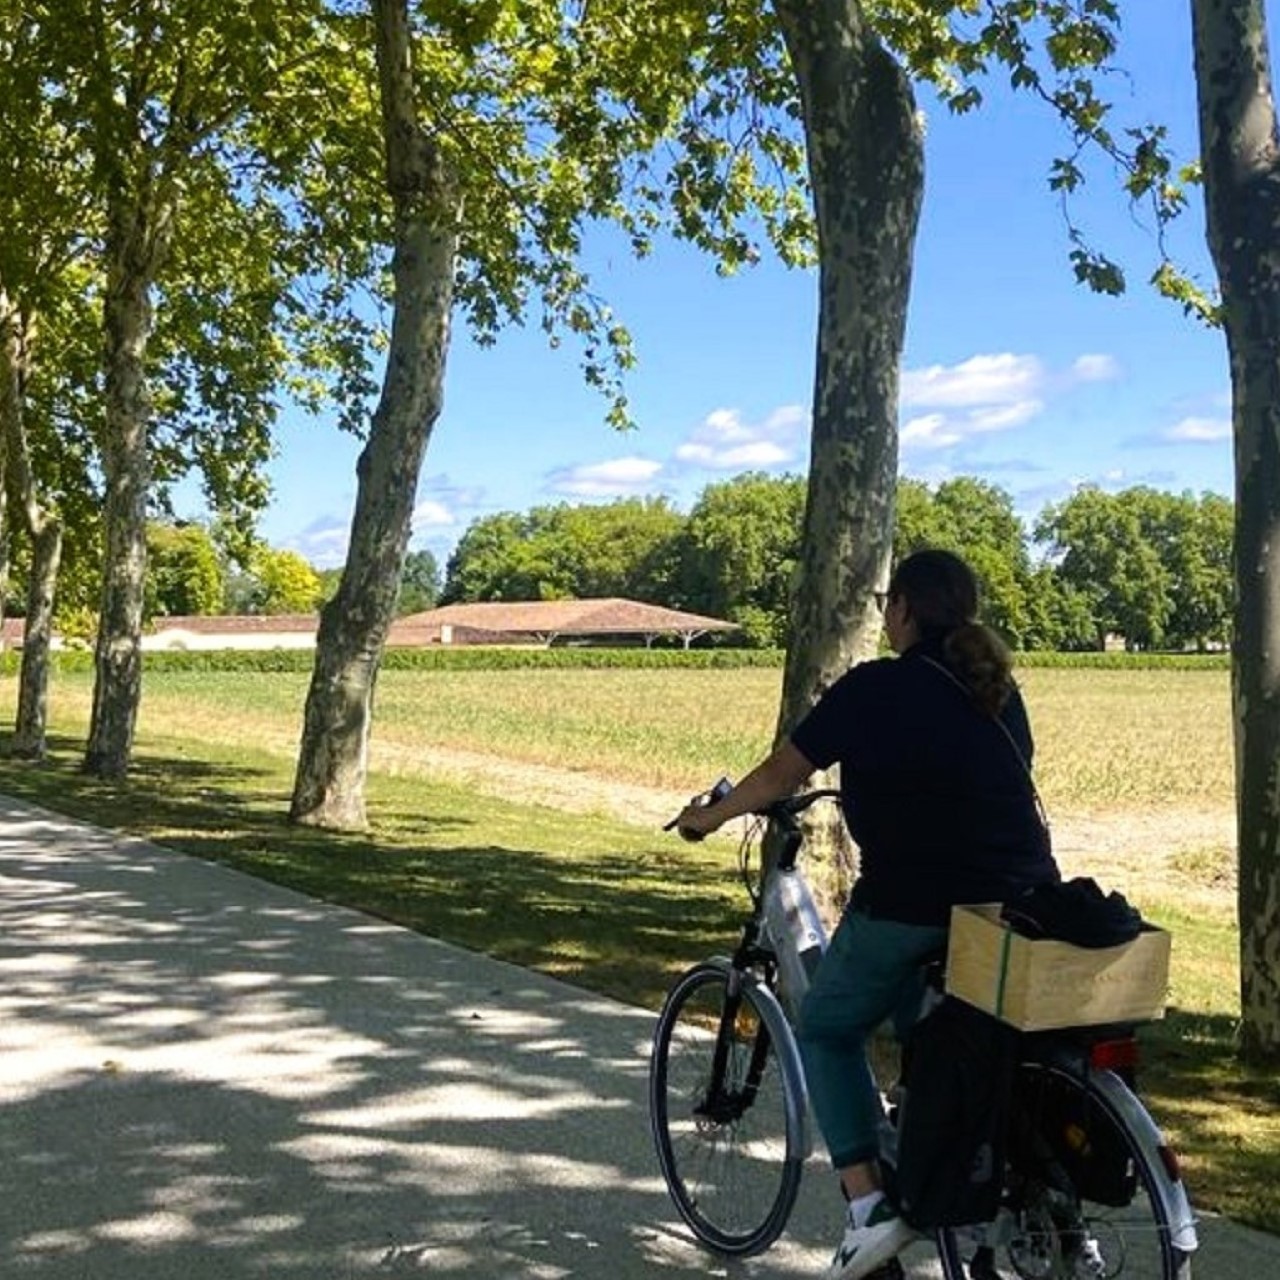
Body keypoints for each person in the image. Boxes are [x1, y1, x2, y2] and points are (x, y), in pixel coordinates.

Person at [672, 548, 1060, 1280]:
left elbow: (784, 772)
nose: (885, 616)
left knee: (826, 1028)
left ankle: (868, 1211)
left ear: (905, 609)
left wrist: (712, 815)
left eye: (889, 605)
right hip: (1021, 903)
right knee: (947, 1035)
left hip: (914, 902)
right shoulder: (998, 689)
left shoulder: (874, 687)